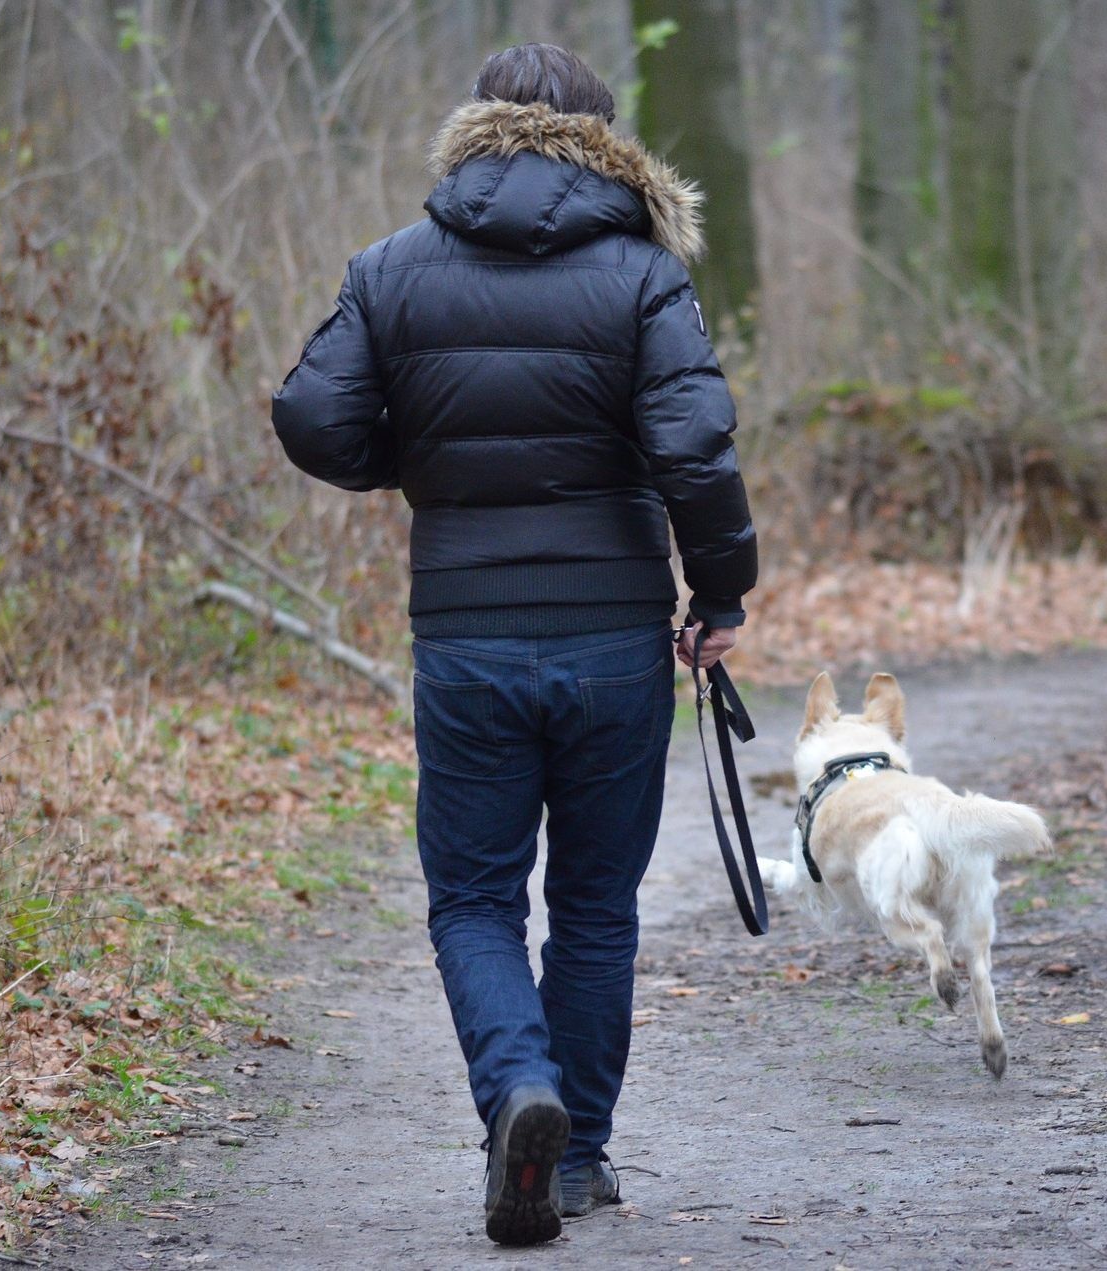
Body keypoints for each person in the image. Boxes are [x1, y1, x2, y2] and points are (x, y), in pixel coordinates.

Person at [270, 42, 756, 1246]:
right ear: (604, 140)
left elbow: (313, 416)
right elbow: (694, 448)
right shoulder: (645, 274)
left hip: (468, 632)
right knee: (595, 905)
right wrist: (723, 590)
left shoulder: (392, 268)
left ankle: (515, 1094)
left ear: (475, 128)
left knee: (475, 899)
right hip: (611, 638)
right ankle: (577, 1152)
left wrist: (424, 464)